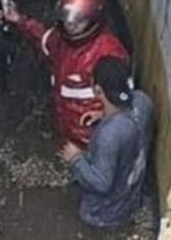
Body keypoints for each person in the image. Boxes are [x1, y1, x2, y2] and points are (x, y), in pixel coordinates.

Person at [0, 0, 129, 148]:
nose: (70, 26)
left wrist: (103, 115)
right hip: (67, 129)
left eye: (77, 22)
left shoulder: (108, 52)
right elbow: (43, 37)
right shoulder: (62, 41)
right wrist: (19, 20)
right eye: (67, 20)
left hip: (93, 138)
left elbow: (124, 99)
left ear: (94, 19)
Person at [59, 57, 155, 229]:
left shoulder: (109, 134)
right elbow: (127, 109)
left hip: (103, 215)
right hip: (130, 199)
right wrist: (104, 114)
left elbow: (102, 183)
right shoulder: (143, 103)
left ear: (97, 90)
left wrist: (75, 158)